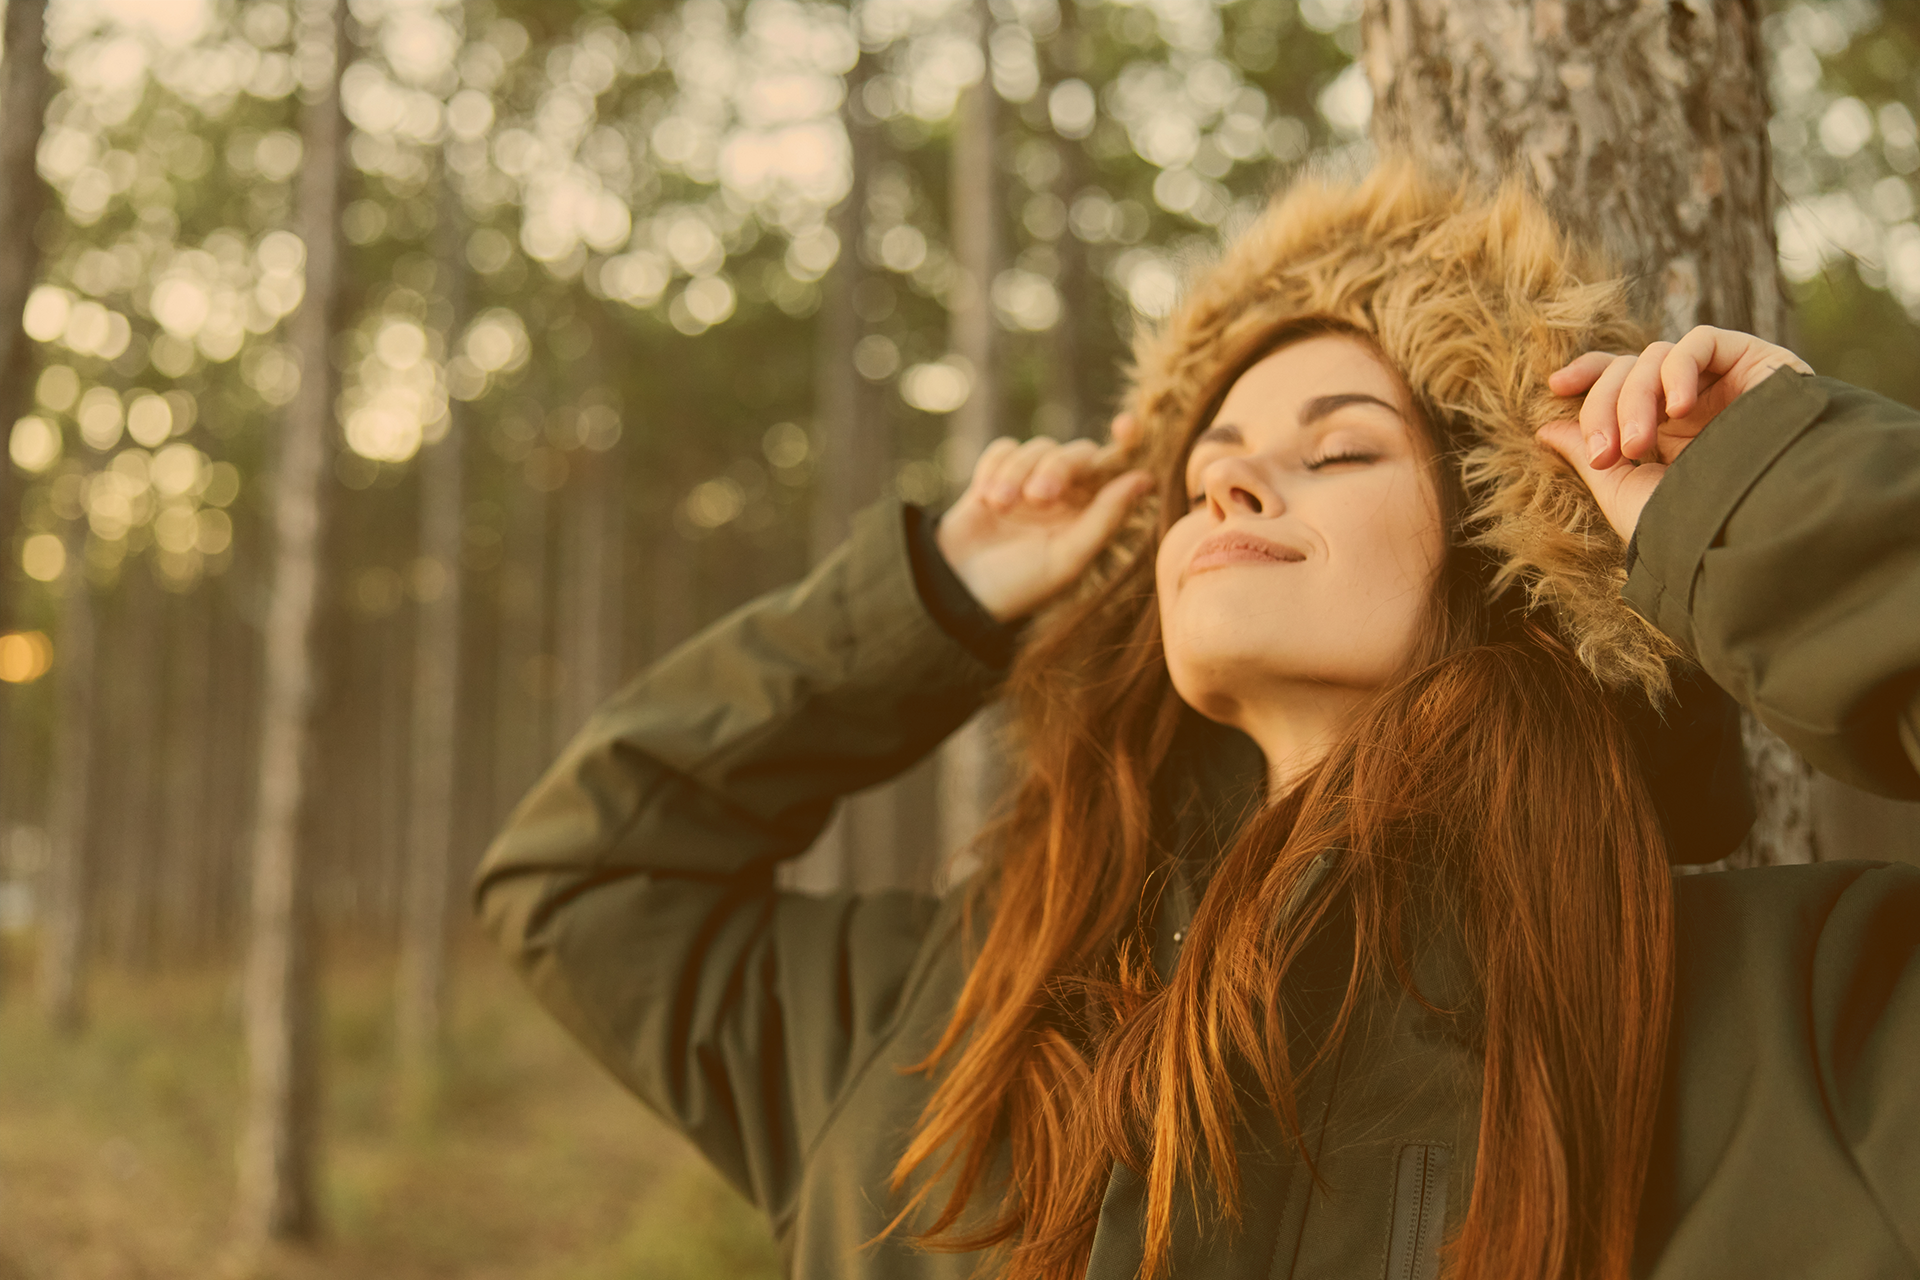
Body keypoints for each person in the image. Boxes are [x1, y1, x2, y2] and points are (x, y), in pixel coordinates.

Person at [472, 162, 1920, 1280]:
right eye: (1208, 468)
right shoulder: (947, 1022)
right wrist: (934, 600)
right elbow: (588, 884)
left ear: (1506, 550)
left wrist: (1767, 512)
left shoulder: (1787, 1017)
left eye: (1338, 448)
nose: (1229, 488)